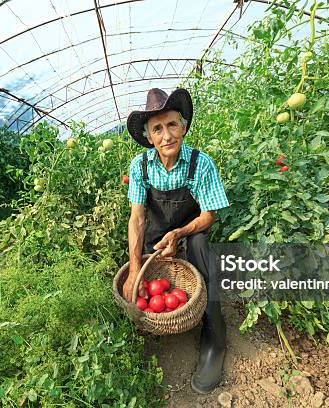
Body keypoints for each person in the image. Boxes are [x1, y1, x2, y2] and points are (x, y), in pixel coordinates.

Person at [122, 88, 230, 394]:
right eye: (158, 129)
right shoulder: (140, 166)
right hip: (156, 233)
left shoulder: (201, 163)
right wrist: (133, 270)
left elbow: (209, 215)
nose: (167, 135)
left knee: (200, 250)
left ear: (183, 127)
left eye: (172, 125)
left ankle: (214, 339)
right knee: (143, 268)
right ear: (150, 137)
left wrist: (180, 234)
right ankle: (158, 324)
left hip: (191, 228)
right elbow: (137, 219)